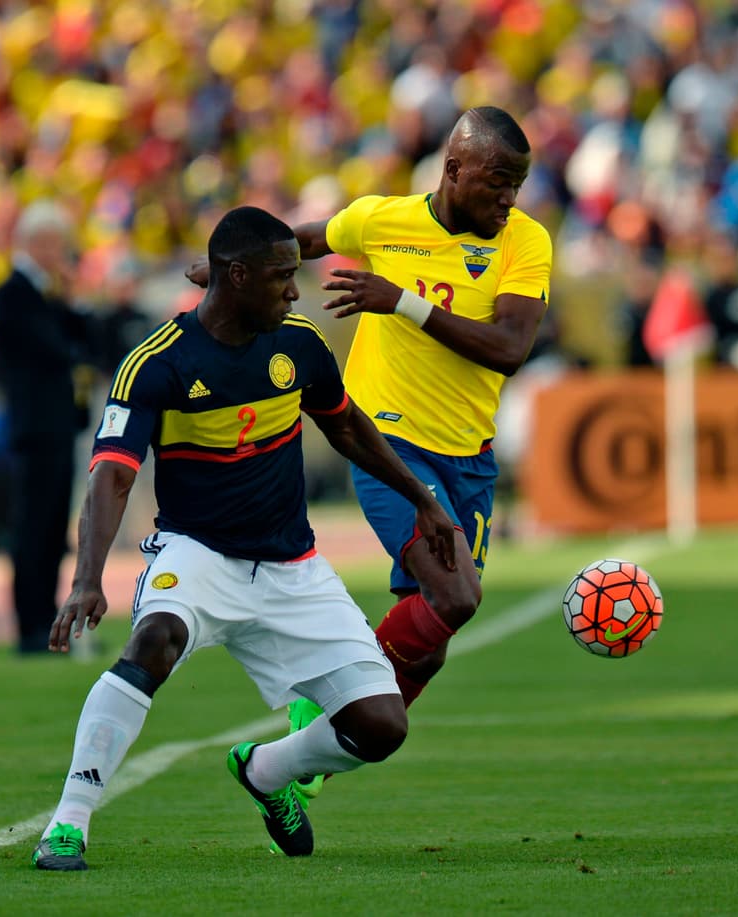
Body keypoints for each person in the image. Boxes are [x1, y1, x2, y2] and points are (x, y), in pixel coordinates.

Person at [33, 206, 457, 871]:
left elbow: (347, 429)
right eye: (282, 277)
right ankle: (69, 821)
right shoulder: (157, 363)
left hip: (293, 566)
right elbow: (111, 478)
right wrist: (88, 577)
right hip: (197, 554)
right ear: (235, 276)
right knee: (155, 638)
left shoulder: (298, 343)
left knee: (382, 724)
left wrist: (421, 498)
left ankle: (266, 772)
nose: (295, 290)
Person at [188, 105, 553, 805]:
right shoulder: (383, 219)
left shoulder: (525, 242)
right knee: (458, 593)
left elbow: (509, 348)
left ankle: (288, 762)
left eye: (517, 185)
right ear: (453, 170)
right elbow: (304, 238)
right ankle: (326, 715)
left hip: (468, 458)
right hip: (388, 444)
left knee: (438, 628)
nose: (508, 199)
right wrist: (223, 270)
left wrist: (402, 302)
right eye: (496, 182)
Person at [0, 201, 95, 655]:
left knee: (53, 528)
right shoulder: (13, 294)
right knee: (33, 527)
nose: (60, 253)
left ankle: (49, 620)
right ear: (33, 244)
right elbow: (58, 349)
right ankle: (28, 625)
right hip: (34, 428)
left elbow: (87, 338)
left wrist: (71, 300)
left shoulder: (48, 294)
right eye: (54, 244)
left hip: (55, 426)